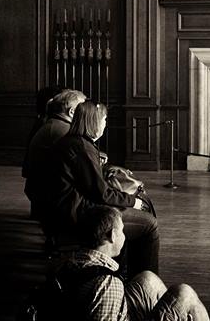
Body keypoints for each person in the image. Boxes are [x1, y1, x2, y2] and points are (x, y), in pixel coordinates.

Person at [47, 101, 159, 275]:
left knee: (133, 212)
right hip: (77, 214)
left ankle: (126, 273)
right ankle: (144, 281)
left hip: (71, 207)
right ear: (94, 121)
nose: (106, 123)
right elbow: (102, 193)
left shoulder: (74, 142)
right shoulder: (82, 147)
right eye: (104, 119)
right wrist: (133, 202)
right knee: (149, 224)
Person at [59, 206, 209, 321]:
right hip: (111, 309)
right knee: (185, 293)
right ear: (112, 236)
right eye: (122, 231)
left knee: (147, 279)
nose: (124, 236)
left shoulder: (72, 261)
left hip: (111, 310)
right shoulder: (108, 284)